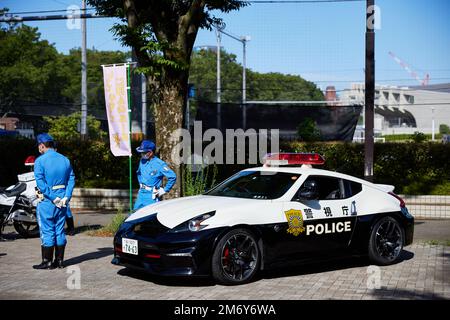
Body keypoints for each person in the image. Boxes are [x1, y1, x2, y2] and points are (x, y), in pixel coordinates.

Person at [32, 133, 75, 270]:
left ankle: (47, 261)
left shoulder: (39, 161)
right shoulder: (65, 159)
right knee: (59, 230)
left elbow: (41, 184)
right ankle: (60, 261)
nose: (39, 148)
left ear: (42, 145)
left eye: (39, 145)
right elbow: (71, 179)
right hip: (62, 200)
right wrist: (66, 197)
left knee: (47, 230)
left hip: (47, 201)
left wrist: (53, 198)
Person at [134, 140, 176, 211]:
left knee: (150, 217)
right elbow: (139, 173)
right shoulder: (142, 161)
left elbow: (172, 176)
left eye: (143, 152)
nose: (142, 154)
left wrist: (165, 190)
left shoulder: (159, 164)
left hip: (151, 196)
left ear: (150, 153)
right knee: (134, 216)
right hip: (141, 194)